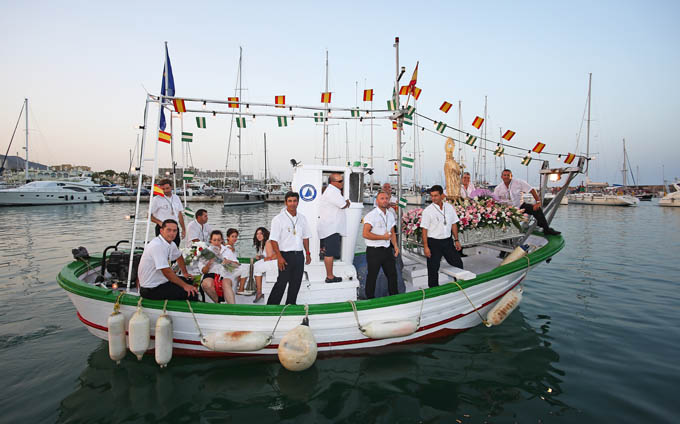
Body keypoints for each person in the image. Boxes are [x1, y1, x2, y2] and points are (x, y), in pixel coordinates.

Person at [267, 192, 312, 305]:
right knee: (281, 282)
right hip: (285, 256)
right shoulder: (278, 219)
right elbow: (273, 240)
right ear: (285, 202)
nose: (292, 204)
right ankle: (271, 306)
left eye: (295, 201)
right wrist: (279, 257)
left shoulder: (302, 218)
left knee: (296, 283)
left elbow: (305, 237)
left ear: (298, 202)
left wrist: (307, 253)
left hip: (299, 255)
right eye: (290, 201)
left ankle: (291, 305)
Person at [138, 219, 198, 301]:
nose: (172, 233)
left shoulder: (170, 243)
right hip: (151, 288)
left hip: (162, 281)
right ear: (161, 231)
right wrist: (185, 286)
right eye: (169, 230)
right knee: (191, 293)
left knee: (189, 281)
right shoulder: (157, 246)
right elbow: (166, 271)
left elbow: (179, 256)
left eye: (174, 231)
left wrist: (185, 273)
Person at [493, 169, 561, 235]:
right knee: (500, 218)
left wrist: (538, 202)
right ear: (502, 177)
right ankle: (504, 235)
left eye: (508, 175)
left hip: (520, 206)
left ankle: (546, 229)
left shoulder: (519, 182)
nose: (506, 177)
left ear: (511, 176)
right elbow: (495, 200)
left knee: (537, 209)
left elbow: (532, 190)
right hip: (507, 209)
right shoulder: (498, 188)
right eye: (505, 175)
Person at [421, 185, 464, 287]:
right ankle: (433, 291)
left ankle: (460, 285)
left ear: (442, 196)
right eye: (432, 196)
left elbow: (454, 224)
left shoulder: (449, 207)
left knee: (458, 263)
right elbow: (424, 230)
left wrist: (456, 240)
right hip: (433, 243)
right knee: (433, 269)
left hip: (448, 242)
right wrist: (426, 247)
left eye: (436, 195)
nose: (433, 198)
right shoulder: (428, 211)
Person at [362, 191, 399, 299]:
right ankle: (370, 299)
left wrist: (396, 246)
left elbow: (392, 232)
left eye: (386, 198)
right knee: (372, 276)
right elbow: (365, 234)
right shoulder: (371, 215)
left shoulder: (390, 214)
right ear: (377, 201)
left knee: (392, 275)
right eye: (382, 198)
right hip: (374, 251)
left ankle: (394, 297)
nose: (385, 200)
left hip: (387, 250)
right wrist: (382, 237)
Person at [318, 172, 350, 283]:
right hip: (331, 228)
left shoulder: (332, 191)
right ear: (332, 182)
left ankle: (330, 275)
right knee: (330, 253)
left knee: (329, 252)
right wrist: (347, 202)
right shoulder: (333, 192)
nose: (342, 183)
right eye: (340, 181)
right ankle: (330, 277)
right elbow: (343, 205)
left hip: (330, 227)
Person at [198, 230, 236, 304]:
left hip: (225, 274)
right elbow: (203, 271)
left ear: (222, 240)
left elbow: (236, 266)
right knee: (206, 283)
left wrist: (228, 262)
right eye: (214, 240)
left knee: (225, 283)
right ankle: (219, 303)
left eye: (218, 240)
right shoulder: (206, 252)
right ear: (210, 241)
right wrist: (209, 263)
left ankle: (232, 307)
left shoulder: (228, 251)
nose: (216, 242)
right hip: (211, 273)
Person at [150, 179, 185, 247]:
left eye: (167, 188)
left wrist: (183, 229)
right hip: (163, 228)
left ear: (171, 187)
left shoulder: (176, 198)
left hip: (175, 227)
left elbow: (179, 214)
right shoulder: (156, 199)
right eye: (163, 189)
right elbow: (149, 216)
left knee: (175, 247)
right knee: (162, 248)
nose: (165, 191)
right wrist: (160, 223)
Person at [251, 227, 277, 303]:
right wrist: (261, 257)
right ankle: (259, 290)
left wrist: (263, 259)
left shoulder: (268, 242)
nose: (258, 235)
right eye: (257, 234)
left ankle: (259, 292)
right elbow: (268, 256)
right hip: (271, 260)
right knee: (256, 265)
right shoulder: (262, 243)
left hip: (275, 262)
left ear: (265, 234)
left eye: (261, 233)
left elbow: (270, 257)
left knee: (257, 268)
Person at [221, 228, 249, 295]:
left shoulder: (231, 247)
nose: (234, 238)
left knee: (245, 267)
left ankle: (239, 286)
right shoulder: (227, 248)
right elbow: (225, 263)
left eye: (236, 236)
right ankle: (241, 289)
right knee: (245, 269)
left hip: (231, 268)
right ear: (228, 237)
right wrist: (236, 264)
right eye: (232, 236)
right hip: (227, 271)